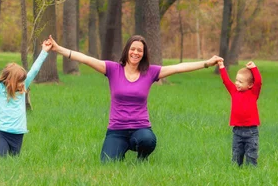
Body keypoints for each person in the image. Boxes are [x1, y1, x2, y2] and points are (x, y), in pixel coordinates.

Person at [48, 34, 222, 162]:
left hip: (140, 128)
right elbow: (85, 59)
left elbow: (179, 68)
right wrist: (58, 49)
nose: (136, 53)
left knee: (148, 140)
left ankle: (141, 158)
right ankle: (120, 150)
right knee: (107, 164)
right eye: (133, 49)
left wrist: (207, 63)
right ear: (127, 51)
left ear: (143, 54)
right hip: (117, 130)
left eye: (140, 50)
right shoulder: (112, 69)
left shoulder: (151, 72)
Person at [217, 59, 262, 166]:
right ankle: (236, 171)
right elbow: (226, 81)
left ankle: (251, 172)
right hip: (237, 131)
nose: (236, 83)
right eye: (236, 80)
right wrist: (221, 66)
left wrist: (254, 68)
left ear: (250, 85)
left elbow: (259, 81)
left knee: (251, 155)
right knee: (236, 156)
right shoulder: (234, 91)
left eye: (240, 82)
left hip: (251, 131)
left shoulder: (253, 93)